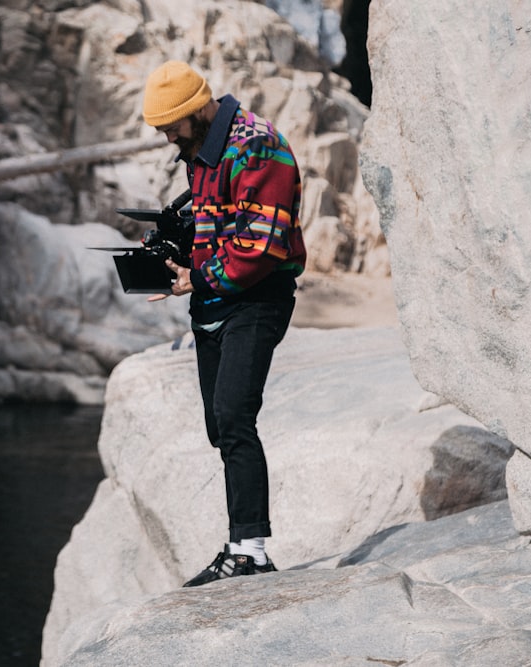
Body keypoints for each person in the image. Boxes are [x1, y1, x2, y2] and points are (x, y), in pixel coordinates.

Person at [141, 60, 306, 586]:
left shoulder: (258, 146)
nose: (166, 137)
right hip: (215, 301)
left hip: (258, 298)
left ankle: (250, 551)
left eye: (169, 125)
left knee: (235, 416)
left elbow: (262, 245)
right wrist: (171, 251)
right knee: (220, 425)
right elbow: (222, 225)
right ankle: (241, 546)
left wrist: (198, 277)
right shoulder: (200, 153)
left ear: (194, 111)